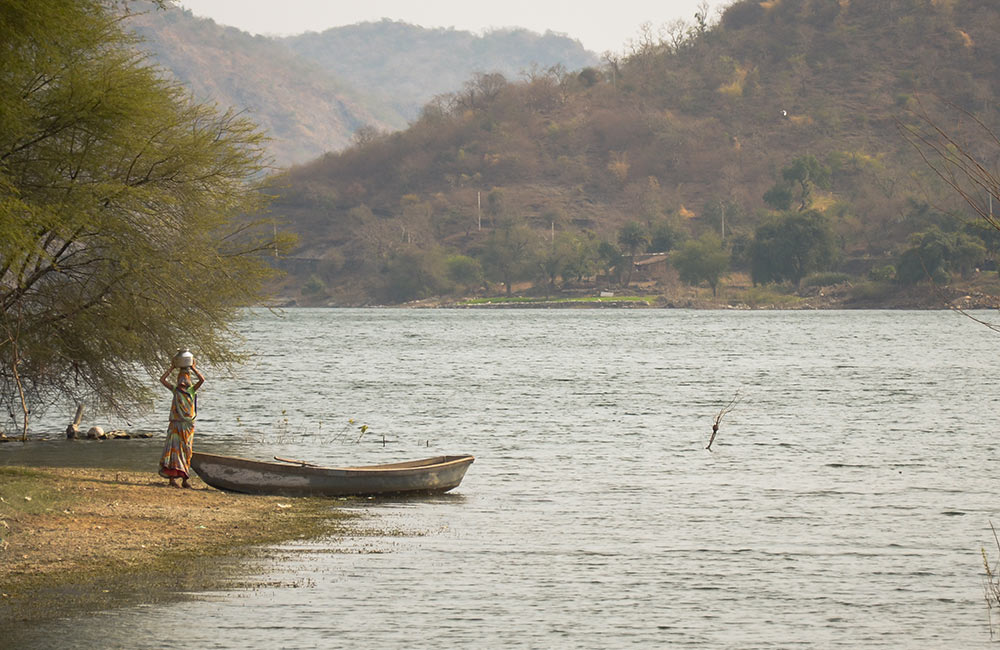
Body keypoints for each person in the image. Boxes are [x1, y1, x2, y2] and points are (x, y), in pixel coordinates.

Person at [158, 360, 205, 488]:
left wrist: (194, 368)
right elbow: (162, 380)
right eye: (181, 377)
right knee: (174, 451)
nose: (183, 380)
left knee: (186, 451)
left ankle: (185, 479)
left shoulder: (192, 390)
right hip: (176, 425)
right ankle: (172, 479)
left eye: (186, 377)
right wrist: (172, 368)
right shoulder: (176, 390)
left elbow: (202, 380)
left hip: (188, 426)